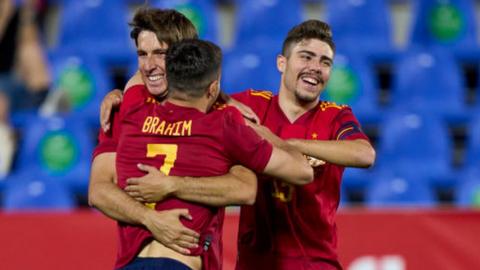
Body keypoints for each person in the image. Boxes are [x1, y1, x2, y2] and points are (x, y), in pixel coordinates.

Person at [101, 19, 376, 269]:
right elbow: (192, 88)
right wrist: (118, 95)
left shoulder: (336, 115)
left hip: (315, 261)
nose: (315, 68)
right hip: (255, 262)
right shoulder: (250, 105)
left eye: (325, 62)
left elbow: (364, 154)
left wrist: (284, 143)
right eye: (306, 57)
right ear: (282, 62)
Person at [114, 37, 313, 270]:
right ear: (214, 87)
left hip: (130, 263)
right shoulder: (223, 126)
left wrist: (113, 94)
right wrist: (262, 133)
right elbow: (302, 172)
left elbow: (140, 77)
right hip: (177, 263)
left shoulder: (133, 112)